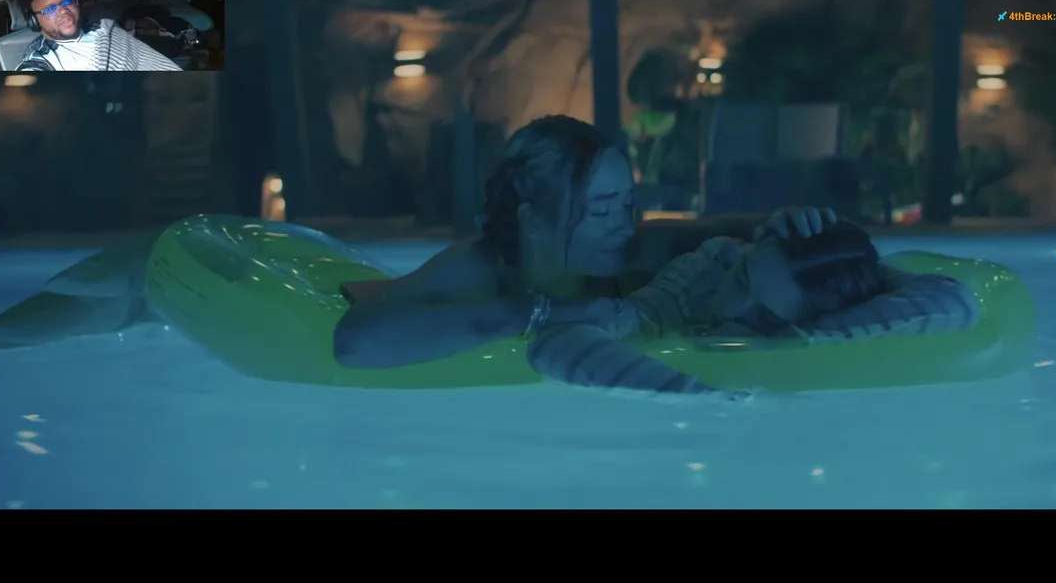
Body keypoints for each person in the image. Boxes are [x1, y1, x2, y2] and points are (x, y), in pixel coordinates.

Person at [333, 114, 838, 372]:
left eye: (627, 205)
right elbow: (354, 342)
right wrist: (535, 314)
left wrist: (782, 221)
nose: (624, 226)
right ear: (533, 222)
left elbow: (725, 230)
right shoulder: (479, 269)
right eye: (600, 211)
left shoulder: (640, 252)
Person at [526, 221, 980, 398]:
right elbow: (560, 340)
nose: (728, 310)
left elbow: (953, 300)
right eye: (741, 280)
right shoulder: (703, 278)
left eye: (761, 317)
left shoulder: (814, 334)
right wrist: (705, 397)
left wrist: (800, 340)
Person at [12, 0, 182, 72]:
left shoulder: (103, 29)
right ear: (33, 20)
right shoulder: (40, 60)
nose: (63, 11)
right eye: (50, 9)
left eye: (68, 1)